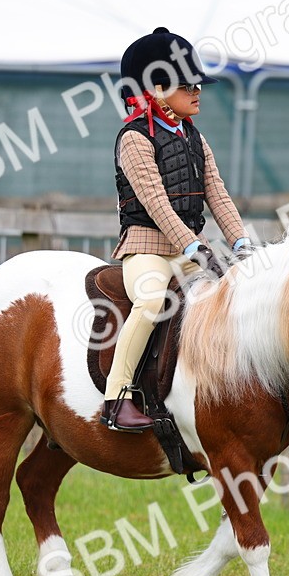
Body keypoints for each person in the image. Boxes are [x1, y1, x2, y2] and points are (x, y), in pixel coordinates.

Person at [102, 27, 252, 431]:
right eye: (188, 84)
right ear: (155, 88)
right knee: (151, 303)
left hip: (190, 248)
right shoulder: (134, 138)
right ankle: (116, 398)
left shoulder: (194, 137)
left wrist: (241, 242)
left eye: (197, 83)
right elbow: (156, 202)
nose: (198, 90)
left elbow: (217, 194)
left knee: (231, 298)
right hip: (147, 247)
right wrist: (192, 246)